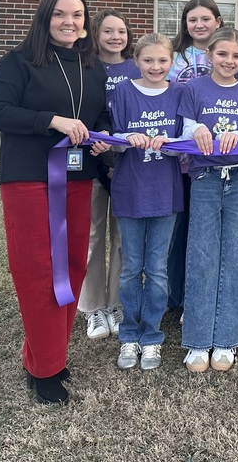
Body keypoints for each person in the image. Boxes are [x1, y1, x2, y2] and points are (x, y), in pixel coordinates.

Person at [0, 0, 110, 405]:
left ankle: (46, 353)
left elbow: (100, 117)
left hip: (77, 178)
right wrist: (52, 120)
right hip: (29, 179)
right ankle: (45, 370)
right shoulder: (17, 62)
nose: (70, 22)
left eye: (78, 15)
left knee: (72, 268)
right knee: (39, 270)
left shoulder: (93, 68)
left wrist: (103, 140)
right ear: (45, 18)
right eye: (60, 15)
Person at [92, 33, 185, 372]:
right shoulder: (123, 92)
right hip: (130, 189)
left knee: (157, 269)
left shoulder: (180, 92)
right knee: (131, 267)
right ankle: (130, 333)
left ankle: (152, 336)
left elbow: (188, 139)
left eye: (162, 60)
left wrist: (169, 142)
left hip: (166, 190)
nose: (155, 67)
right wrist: (123, 140)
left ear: (171, 61)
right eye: (148, 60)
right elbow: (111, 141)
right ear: (136, 61)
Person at [179, 28, 238, 373]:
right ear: (209, 55)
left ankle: (227, 338)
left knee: (235, 255)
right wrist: (195, 129)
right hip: (204, 178)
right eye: (223, 54)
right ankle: (198, 340)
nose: (229, 61)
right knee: (202, 253)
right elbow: (183, 129)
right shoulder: (192, 89)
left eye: (237, 56)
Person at [79, 8, 139, 342]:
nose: (116, 37)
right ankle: (92, 308)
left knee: (122, 237)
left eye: (121, 31)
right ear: (95, 35)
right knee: (91, 234)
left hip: (129, 161)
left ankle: (117, 303)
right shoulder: (84, 67)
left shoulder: (136, 67)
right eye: (108, 32)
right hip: (92, 158)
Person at [165, 0, 224, 318]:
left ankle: (207, 292)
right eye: (192, 20)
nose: (199, 25)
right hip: (177, 155)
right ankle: (176, 296)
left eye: (205, 19)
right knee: (178, 227)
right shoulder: (173, 58)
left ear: (218, 21)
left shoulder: (225, 55)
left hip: (214, 160)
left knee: (207, 229)